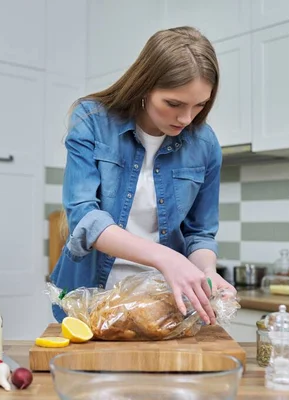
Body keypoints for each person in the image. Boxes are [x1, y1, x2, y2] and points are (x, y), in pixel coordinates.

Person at [50, 26, 235, 326]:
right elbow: (85, 219)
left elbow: (199, 234)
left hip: (165, 306)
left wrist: (208, 273)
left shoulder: (205, 144)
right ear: (144, 86)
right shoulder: (92, 121)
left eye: (199, 105)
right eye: (174, 104)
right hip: (90, 300)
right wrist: (166, 257)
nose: (187, 119)